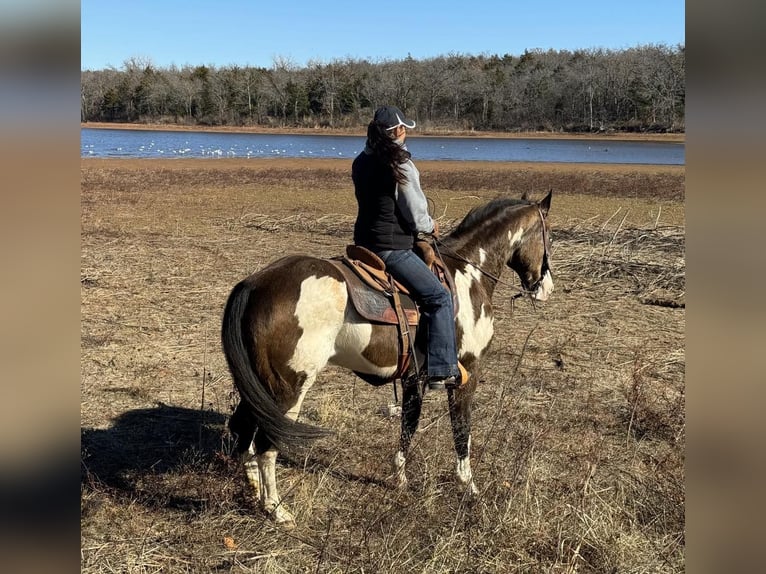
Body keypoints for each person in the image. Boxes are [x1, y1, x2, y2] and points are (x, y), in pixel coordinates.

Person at [351, 105, 460, 390]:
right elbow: (415, 214)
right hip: (391, 248)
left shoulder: (360, 161)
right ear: (398, 132)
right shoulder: (400, 164)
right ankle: (441, 369)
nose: (407, 133)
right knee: (439, 297)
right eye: (404, 129)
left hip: (363, 244)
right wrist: (429, 227)